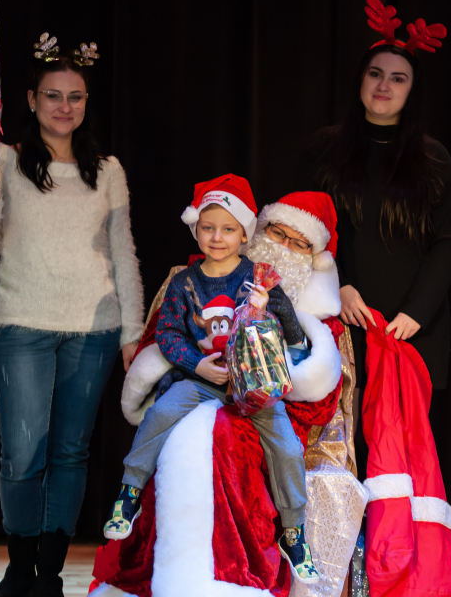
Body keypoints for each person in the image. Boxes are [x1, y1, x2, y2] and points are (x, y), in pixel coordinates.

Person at [0, 34, 144, 597]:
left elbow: (123, 252)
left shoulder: (106, 170)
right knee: (22, 455)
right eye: (53, 95)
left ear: (86, 102)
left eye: (75, 96)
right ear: (32, 99)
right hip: (23, 324)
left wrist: (132, 331)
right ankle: (19, 570)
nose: (65, 106)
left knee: (69, 453)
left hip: (94, 329)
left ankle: (49, 576)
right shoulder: (2, 160)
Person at [103, 174, 321, 584]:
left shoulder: (261, 275)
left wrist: (267, 308)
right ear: (196, 229)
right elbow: (168, 333)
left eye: (228, 229)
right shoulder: (185, 282)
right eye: (208, 227)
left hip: (252, 385)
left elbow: (293, 335)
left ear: (245, 234)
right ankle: (129, 493)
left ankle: (294, 531)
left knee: (286, 446)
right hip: (203, 378)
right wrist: (196, 364)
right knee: (160, 414)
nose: (217, 237)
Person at [294, 0, 451, 480]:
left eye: (398, 78)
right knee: (340, 445)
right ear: (360, 81)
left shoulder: (434, 159)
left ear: (412, 90)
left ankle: (396, 532)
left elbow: (449, 242)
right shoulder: (325, 148)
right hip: (341, 318)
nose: (384, 85)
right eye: (375, 74)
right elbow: (303, 229)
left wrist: (416, 313)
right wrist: (340, 286)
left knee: (401, 454)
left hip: (411, 330)